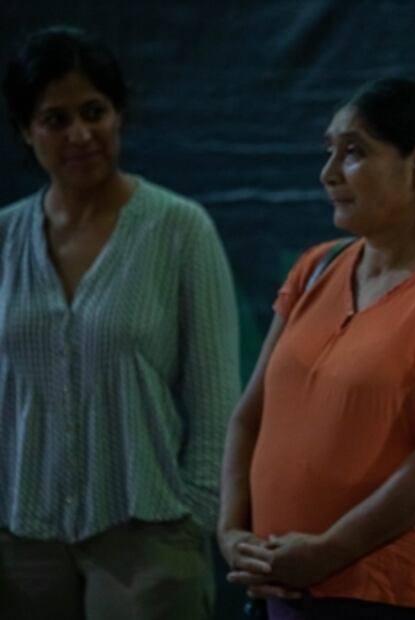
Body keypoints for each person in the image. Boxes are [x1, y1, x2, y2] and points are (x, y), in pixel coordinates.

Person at [217, 77, 415, 619]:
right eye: (329, 151)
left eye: (353, 152)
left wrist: (329, 552)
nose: (328, 173)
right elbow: (249, 417)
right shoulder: (318, 266)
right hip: (292, 588)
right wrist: (233, 532)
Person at [0, 26, 240, 620]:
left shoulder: (180, 229)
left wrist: (193, 516)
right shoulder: (4, 238)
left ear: (119, 115)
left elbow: (217, 399)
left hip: (148, 539)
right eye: (55, 119)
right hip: (18, 538)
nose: (80, 134)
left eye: (94, 112)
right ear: (26, 132)